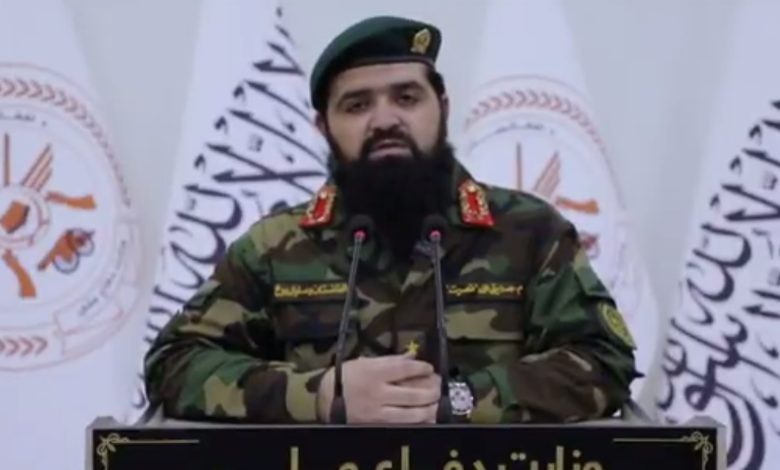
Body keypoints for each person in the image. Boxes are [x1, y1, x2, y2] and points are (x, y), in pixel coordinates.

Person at [142, 15, 639, 425]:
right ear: (323, 127)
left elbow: (603, 359)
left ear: (442, 108)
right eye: (357, 105)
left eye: (406, 98)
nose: (384, 120)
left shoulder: (527, 231)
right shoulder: (275, 246)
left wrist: (460, 399)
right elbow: (175, 362)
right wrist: (319, 395)